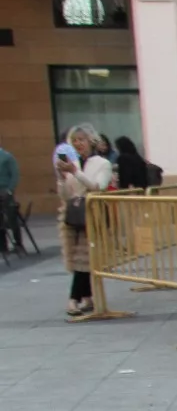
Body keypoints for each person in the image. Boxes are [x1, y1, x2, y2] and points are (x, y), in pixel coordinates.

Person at [55, 124, 112, 319]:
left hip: (93, 215)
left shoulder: (101, 163)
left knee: (86, 257)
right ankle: (87, 296)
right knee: (80, 257)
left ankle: (73, 298)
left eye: (82, 139)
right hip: (74, 216)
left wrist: (76, 172)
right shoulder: (73, 163)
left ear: (91, 141)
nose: (78, 143)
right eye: (75, 140)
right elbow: (66, 194)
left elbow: (98, 186)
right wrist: (62, 178)